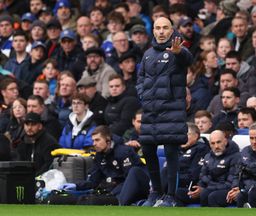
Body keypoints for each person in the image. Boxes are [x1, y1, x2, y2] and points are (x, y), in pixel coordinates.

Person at [136, 17, 193, 207]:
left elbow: (187, 59)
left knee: (171, 153)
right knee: (148, 151)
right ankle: (156, 193)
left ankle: (171, 196)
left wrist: (178, 53)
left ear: (171, 30)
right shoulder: (147, 54)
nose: (161, 31)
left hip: (172, 111)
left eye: (165, 28)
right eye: (158, 28)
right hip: (150, 112)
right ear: (153, 31)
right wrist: (143, 95)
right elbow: (140, 78)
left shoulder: (178, 50)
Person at [59, 125, 150, 205]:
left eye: (97, 140)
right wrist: (76, 186)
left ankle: (118, 203)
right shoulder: (99, 156)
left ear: (108, 140)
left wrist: (111, 193)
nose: (94, 144)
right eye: (93, 140)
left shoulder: (123, 151)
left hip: (140, 184)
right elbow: (94, 181)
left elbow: (129, 179)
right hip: (119, 188)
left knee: (133, 172)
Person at [182, 130, 240, 207]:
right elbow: (202, 176)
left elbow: (231, 183)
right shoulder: (208, 156)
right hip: (209, 189)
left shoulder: (236, 157)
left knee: (209, 195)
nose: (216, 146)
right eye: (213, 143)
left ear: (225, 142)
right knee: (179, 193)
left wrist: (206, 188)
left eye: (218, 142)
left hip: (226, 191)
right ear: (209, 144)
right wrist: (199, 188)